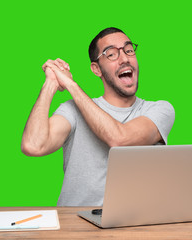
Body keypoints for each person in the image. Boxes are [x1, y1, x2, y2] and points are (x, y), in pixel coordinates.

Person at [21, 27, 175, 206]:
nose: (125, 58)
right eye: (111, 54)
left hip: (133, 227)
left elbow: (120, 139)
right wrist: (51, 83)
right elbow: (33, 145)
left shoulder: (159, 110)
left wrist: (71, 85)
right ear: (96, 69)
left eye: (129, 50)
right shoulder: (73, 111)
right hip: (74, 225)